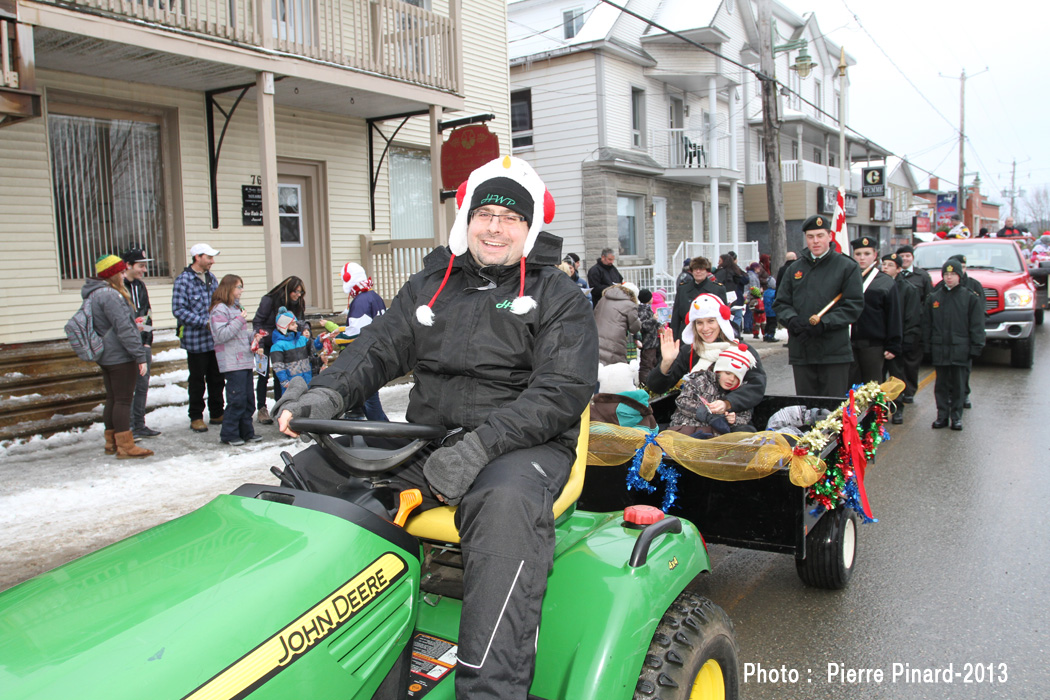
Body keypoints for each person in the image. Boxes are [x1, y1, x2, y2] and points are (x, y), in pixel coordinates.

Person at [275, 155, 597, 700]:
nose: (495, 227)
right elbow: (378, 348)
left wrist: (479, 449)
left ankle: (488, 689)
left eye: (510, 217)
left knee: (504, 509)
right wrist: (325, 392)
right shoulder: (431, 284)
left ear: (529, 227)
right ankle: (325, 663)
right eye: (485, 213)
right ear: (466, 220)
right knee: (311, 478)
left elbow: (560, 391)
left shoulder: (558, 296)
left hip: (523, 446)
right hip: (431, 442)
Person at [773, 214, 864, 397]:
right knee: (806, 409)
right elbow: (781, 302)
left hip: (833, 351)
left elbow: (853, 305)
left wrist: (825, 323)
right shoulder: (794, 269)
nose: (815, 241)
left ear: (830, 236)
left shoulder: (846, 266)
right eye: (810, 236)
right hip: (802, 350)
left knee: (832, 410)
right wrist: (792, 321)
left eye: (820, 235)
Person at [647, 293, 767, 419]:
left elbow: (756, 385)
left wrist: (727, 403)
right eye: (699, 323)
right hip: (695, 418)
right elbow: (657, 387)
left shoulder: (741, 349)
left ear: (720, 321)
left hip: (733, 420)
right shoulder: (690, 351)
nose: (705, 328)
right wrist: (666, 362)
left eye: (711, 321)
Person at [83, 255, 152, 459]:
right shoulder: (111, 295)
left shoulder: (93, 293)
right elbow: (124, 329)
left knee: (113, 398)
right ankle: (125, 446)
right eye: (121, 272)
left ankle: (111, 442)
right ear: (112, 274)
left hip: (106, 353)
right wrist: (139, 355)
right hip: (119, 355)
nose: (124, 275)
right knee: (123, 400)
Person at [923, 259, 985, 431]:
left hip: (960, 349)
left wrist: (976, 346)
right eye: (946, 274)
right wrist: (927, 346)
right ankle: (942, 415)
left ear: (960, 275)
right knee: (941, 385)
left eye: (953, 274)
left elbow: (977, 325)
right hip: (940, 348)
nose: (949, 278)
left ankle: (956, 417)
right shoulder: (934, 298)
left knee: (958, 385)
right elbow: (927, 324)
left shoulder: (969, 297)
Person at [172, 243, 224, 432]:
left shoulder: (212, 279)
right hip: (196, 340)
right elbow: (178, 310)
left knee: (217, 378)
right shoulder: (183, 280)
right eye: (209, 258)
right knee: (197, 380)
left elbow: (219, 302)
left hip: (215, 340)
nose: (212, 261)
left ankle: (217, 412)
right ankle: (196, 416)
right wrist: (204, 322)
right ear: (198, 257)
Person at [209, 274, 263, 446]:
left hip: (244, 359)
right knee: (236, 399)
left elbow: (237, 334)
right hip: (232, 362)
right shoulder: (219, 309)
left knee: (248, 399)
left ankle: (247, 432)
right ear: (229, 288)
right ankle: (229, 434)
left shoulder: (236, 308)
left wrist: (252, 336)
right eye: (239, 286)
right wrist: (240, 320)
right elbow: (221, 335)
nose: (241, 290)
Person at [668, 344, 758, 437]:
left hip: (714, 435)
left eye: (736, 377)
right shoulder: (702, 381)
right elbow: (682, 400)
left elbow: (746, 415)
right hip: (687, 426)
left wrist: (733, 419)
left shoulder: (739, 392)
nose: (731, 379)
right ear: (718, 370)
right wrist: (705, 412)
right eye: (727, 373)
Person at [251, 276, 307, 424]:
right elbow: (258, 322)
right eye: (296, 291)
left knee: (281, 375)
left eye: (301, 292)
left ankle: (280, 406)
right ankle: (262, 408)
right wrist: (260, 344)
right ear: (288, 289)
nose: (298, 295)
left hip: (285, 342)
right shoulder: (269, 300)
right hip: (267, 341)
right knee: (263, 375)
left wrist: (304, 331)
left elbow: (300, 321)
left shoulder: (297, 302)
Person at [849, 236, 902, 385]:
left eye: (866, 254)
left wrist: (893, 344)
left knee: (872, 387)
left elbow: (893, 315)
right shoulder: (847, 278)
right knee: (850, 387)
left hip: (873, 345)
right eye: (858, 254)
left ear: (875, 255)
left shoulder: (885, 282)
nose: (862, 258)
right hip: (849, 343)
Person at [121, 247, 161, 439]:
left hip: (141, 344)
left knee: (142, 386)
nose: (143, 270)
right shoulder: (118, 287)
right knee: (128, 387)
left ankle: (139, 424)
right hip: (124, 346)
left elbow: (147, 314)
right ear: (128, 265)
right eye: (140, 266)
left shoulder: (140, 286)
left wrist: (146, 341)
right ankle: (127, 427)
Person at [341, 262, 389, 421]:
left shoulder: (361, 301)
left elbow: (356, 333)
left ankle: (387, 435)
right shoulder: (374, 296)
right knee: (367, 397)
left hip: (365, 356)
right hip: (377, 352)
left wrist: (338, 339)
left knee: (371, 401)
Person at [881, 253, 921, 424]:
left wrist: (902, 344)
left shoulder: (908, 289)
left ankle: (897, 408)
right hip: (879, 342)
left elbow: (912, 319)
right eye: (883, 264)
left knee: (896, 378)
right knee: (878, 380)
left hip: (897, 343)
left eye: (890, 265)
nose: (885, 268)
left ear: (898, 269)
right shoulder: (877, 286)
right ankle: (879, 410)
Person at [894, 245, 932, 404]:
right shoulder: (892, 276)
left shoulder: (922, 276)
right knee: (896, 363)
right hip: (897, 323)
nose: (905, 258)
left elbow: (929, 299)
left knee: (911, 361)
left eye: (908, 255)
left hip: (915, 324)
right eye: (902, 256)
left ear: (913, 257)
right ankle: (896, 391)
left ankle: (909, 390)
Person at [669, 256, 727, 340]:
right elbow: (676, 317)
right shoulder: (683, 289)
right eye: (695, 269)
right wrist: (674, 338)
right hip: (686, 335)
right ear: (691, 271)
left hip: (708, 335)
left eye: (701, 269)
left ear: (707, 271)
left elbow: (723, 316)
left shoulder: (718, 289)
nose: (698, 272)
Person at [270, 308, 321, 389]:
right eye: (293, 324)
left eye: (295, 323)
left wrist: (320, 340)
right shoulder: (278, 346)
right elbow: (278, 366)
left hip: (307, 379)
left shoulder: (302, 339)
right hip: (292, 383)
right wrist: (284, 381)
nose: (296, 326)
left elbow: (313, 348)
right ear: (284, 327)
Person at [594, 282, 641, 366]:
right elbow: (635, 328)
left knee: (599, 368)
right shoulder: (630, 305)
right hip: (616, 341)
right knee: (616, 369)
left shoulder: (603, 299)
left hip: (597, 338)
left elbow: (595, 315)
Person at [714, 253, 748, 332]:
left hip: (725, 298)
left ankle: (730, 332)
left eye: (719, 261)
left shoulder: (721, 272)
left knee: (727, 317)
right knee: (737, 316)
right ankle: (735, 331)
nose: (718, 263)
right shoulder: (737, 271)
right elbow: (745, 279)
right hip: (736, 297)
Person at [636, 289, 661, 385]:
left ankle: (650, 383)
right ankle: (645, 384)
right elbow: (643, 325)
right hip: (648, 342)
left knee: (652, 362)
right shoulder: (642, 310)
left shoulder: (647, 308)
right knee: (647, 364)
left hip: (653, 341)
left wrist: (659, 325)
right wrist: (653, 320)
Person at [762, 277, 778, 342]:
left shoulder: (765, 292)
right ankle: (771, 335)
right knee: (773, 324)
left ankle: (766, 335)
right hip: (773, 311)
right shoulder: (774, 293)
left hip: (767, 311)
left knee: (768, 323)